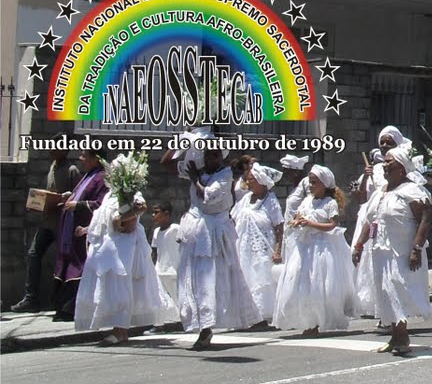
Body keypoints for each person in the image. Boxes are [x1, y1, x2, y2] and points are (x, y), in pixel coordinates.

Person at [171, 145, 260, 350]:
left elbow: (207, 196)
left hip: (215, 235)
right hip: (197, 234)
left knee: (212, 279)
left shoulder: (224, 175)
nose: (213, 158)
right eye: (209, 155)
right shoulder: (201, 172)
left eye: (216, 155)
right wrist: (183, 142)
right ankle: (202, 325)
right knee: (196, 279)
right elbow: (167, 163)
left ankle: (207, 328)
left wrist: (195, 179)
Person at [75, 155, 166, 345]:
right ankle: (118, 328)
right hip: (109, 247)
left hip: (124, 247)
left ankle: (121, 330)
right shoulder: (110, 195)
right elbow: (103, 220)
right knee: (111, 288)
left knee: (122, 286)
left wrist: (122, 219)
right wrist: (87, 230)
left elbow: (140, 208)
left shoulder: (131, 192)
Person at [352, 147, 432, 354]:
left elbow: (425, 218)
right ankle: (395, 336)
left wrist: (417, 248)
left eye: (390, 162)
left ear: (402, 168)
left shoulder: (412, 191)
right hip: (381, 250)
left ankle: (403, 336)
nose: (385, 165)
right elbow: (371, 220)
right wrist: (359, 244)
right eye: (385, 162)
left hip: (402, 250)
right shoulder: (382, 192)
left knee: (399, 288)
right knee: (385, 291)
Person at [275, 165, 357, 336]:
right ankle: (310, 321)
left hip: (322, 248)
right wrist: (297, 222)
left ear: (324, 184)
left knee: (320, 284)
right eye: (309, 182)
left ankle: (321, 319)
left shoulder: (330, 203)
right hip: (305, 247)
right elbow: (298, 216)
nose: (310, 186)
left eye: (314, 182)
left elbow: (332, 225)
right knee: (304, 283)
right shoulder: (306, 201)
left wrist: (312, 224)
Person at [12, 149, 81, 313]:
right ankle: (31, 298)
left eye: (56, 148)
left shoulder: (72, 170)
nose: (52, 152)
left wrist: (61, 202)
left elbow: (77, 196)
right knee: (33, 254)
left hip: (63, 225)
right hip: (47, 223)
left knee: (66, 260)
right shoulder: (52, 167)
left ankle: (64, 301)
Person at [52, 148, 109, 321]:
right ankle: (61, 308)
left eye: (85, 155)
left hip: (84, 232)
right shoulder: (88, 175)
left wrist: (78, 204)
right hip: (71, 232)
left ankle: (70, 309)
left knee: (79, 267)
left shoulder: (102, 178)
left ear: (96, 159)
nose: (80, 158)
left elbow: (102, 204)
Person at [233, 164, 284, 329]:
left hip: (263, 248)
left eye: (252, 180)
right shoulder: (245, 199)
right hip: (245, 248)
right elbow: (233, 218)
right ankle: (249, 316)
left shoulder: (270, 201)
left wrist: (278, 250)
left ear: (262, 182)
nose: (248, 183)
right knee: (246, 278)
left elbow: (279, 228)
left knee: (263, 279)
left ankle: (264, 315)